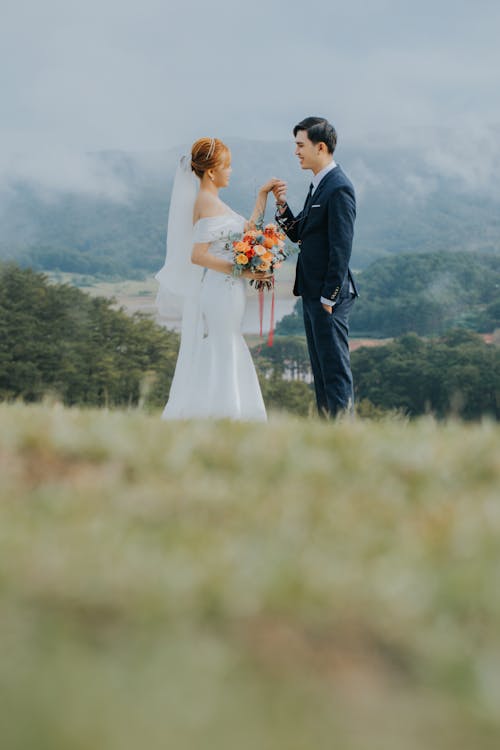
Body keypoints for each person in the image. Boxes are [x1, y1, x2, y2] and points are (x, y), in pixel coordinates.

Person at [155, 137, 283, 420]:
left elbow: (246, 232)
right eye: (227, 166)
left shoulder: (212, 200)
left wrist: (262, 197)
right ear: (211, 171)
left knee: (226, 343)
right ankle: (228, 412)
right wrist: (245, 271)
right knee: (224, 344)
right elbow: (198, 256)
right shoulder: (205, 201)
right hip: (219, 291)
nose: (231, 171)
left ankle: (227, 409)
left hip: (227, 290)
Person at [273, 117, 359, 418]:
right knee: (321, 370)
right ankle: (327, 432)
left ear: (320, 147)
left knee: (334, 370)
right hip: (312, 294)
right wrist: (282, 206)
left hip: (328, 297)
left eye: (300, 145)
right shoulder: (318, 184)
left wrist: (329, 298)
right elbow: (301, 234)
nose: (296, 152)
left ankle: (343, 435)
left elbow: (341, 249)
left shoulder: (339, 188)